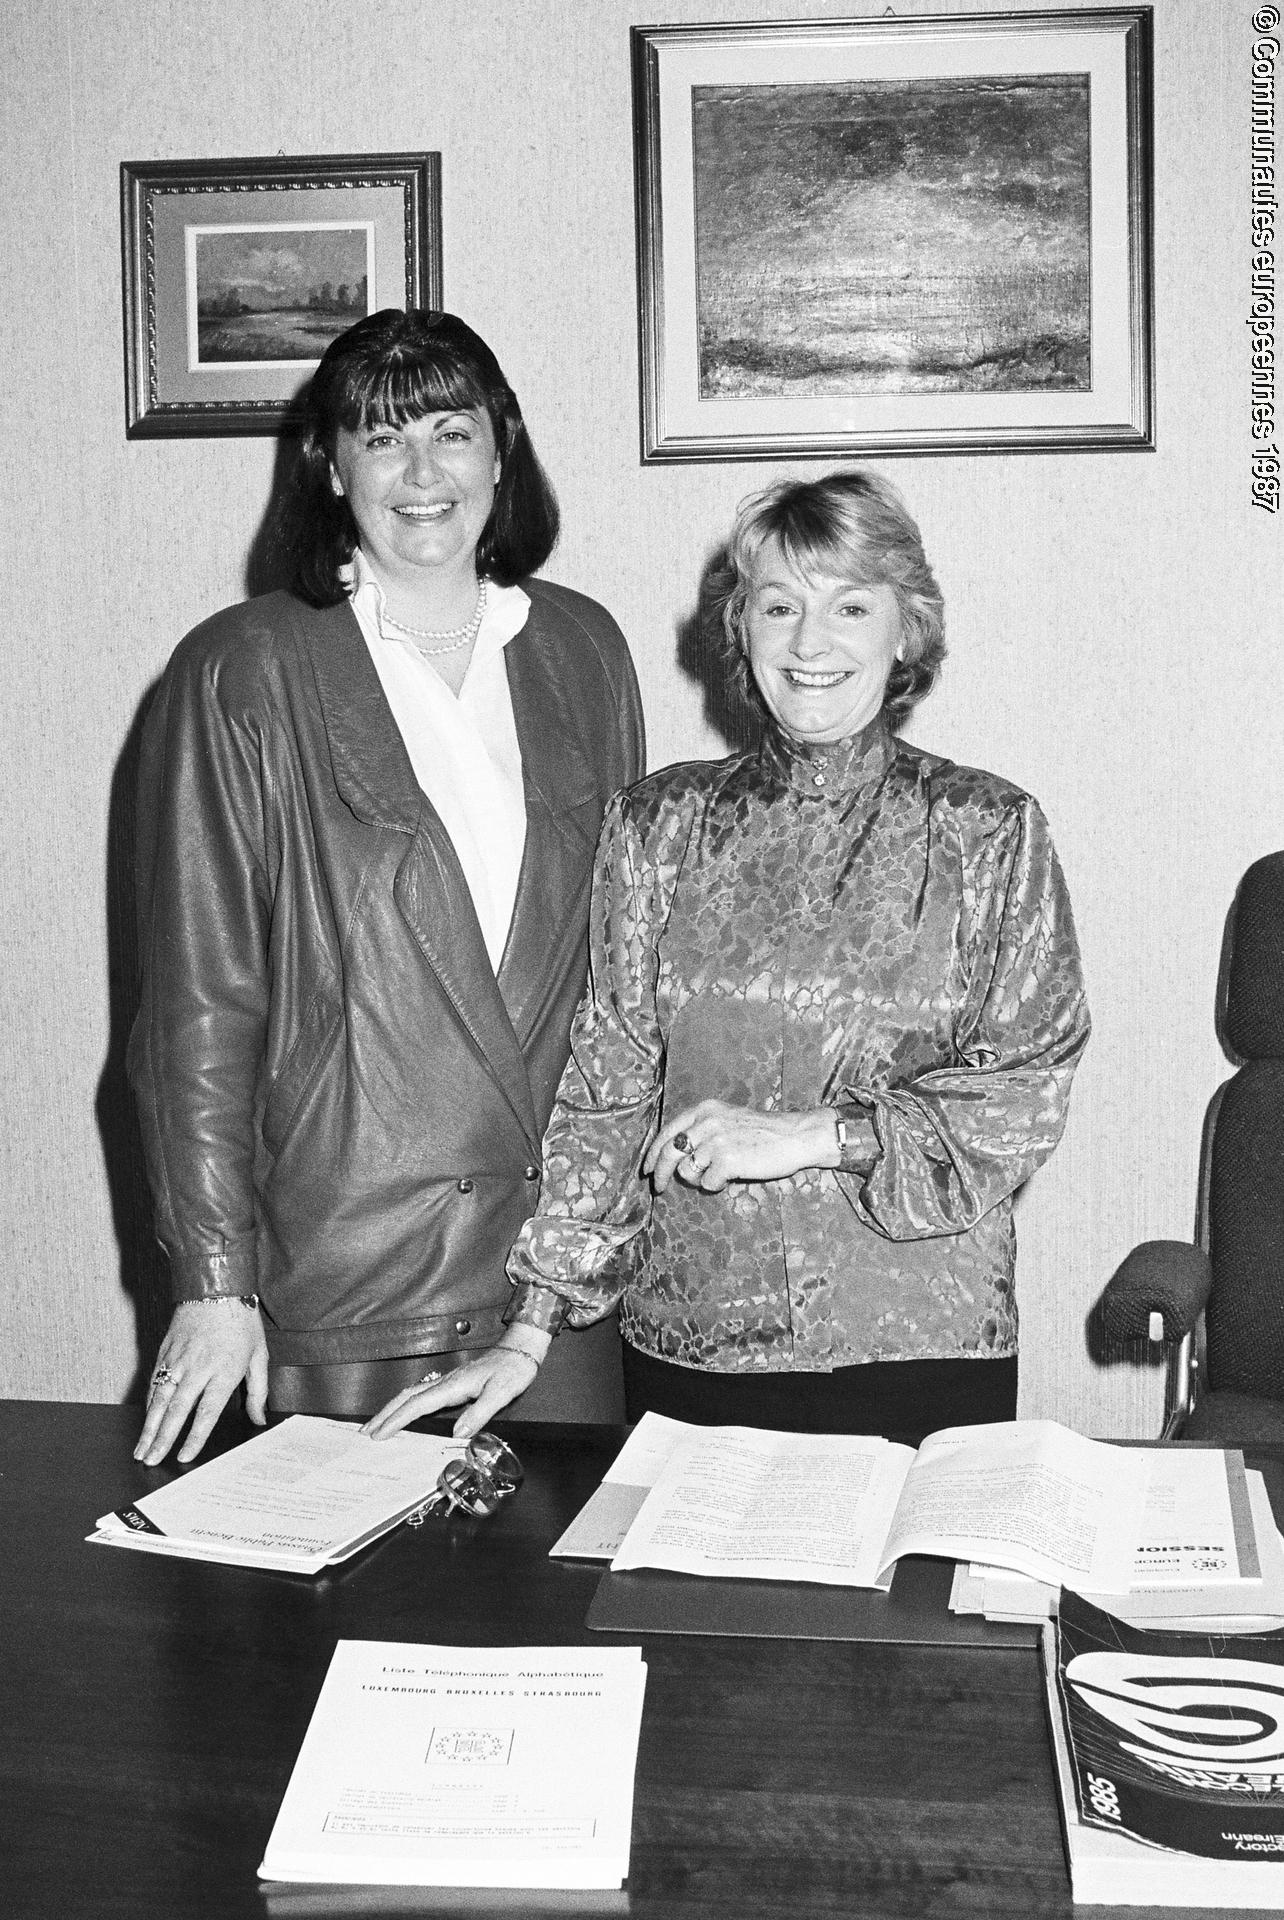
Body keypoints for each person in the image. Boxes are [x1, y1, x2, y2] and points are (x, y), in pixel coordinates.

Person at [365, 469, 1088, 1451]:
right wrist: (532, 1326)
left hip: (919, 1341)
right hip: (692, 1338)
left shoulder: (989, 830)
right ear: (740, 630)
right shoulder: (658, 824)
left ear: (904, 630)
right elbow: (609, 1083)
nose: (810, 641)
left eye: (851, 605)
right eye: (779, 605)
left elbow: (1025, 1088)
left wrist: (810, 1136)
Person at [130, 308, 644, 1465]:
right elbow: (196, 1008)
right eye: (381, 438)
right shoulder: (243, 669)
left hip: (545, 1293)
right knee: (324, 1634)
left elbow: (625, 980)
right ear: (329, 466)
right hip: (341, 1281)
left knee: (547, 1635)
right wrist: (216, 1283)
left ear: (500, 456)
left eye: (452, 433)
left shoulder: (583, 650)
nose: (423, 474)